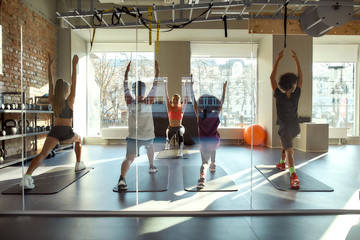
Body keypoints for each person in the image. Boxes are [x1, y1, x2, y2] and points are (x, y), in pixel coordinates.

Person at [20, 54, 85, 189]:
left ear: (56, 91)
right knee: (79, 139)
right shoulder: (70, 101)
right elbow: (75, 83)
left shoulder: (53, 101)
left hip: (55, 132)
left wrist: (49, 66)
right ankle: (78, 164)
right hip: (67, 133)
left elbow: (51, 82)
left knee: (43, 154)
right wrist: (74, 65)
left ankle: (27, 176)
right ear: (67, 90)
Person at [117, 60, 159, 190]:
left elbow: (125, 87)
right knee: (150, 145)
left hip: (133, 136)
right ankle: (151, 166)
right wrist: (157, 71)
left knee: (129, 158)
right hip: (147, 136)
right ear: (144, 90)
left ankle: (122, 179)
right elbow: (155, 84)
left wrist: (126, 74)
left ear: (134, 91)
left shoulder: (129, 101)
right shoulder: (148, 101)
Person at [270, 49, 303, 190]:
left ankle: (293, 175)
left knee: (289, 150)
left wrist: (278, 60)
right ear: (293, 84)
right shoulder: (296, 95)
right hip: (295, 127)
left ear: (282, 85)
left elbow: (271, 79)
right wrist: (296, 60)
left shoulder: (279, 95)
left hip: (285, 127)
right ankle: (282, 162)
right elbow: (301, 78)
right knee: (285, 142)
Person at [190, 78, 227, 189]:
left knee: (204, 163)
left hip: (204, 143)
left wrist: (191, 87)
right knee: (213, 148)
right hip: (214, 141)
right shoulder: (216, 114)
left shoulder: (200, 116)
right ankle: (213, 164)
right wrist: (224, 89)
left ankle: (202, 179)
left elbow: (193, 101)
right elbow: (222, 101)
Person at [164, 81, 187, 158]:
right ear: (172, 100)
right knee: (167, 132)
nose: (175, 100)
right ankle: (167, 143)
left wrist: (185, 87)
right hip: (171, 127)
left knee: (180, 132)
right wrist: (165, 84)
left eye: (177, 99)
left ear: (179, 101)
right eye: (174, 99)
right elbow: (166, 97)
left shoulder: (181, 108)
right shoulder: (170, 107)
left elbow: (186, 99)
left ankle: (180, 152)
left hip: (179, 127)